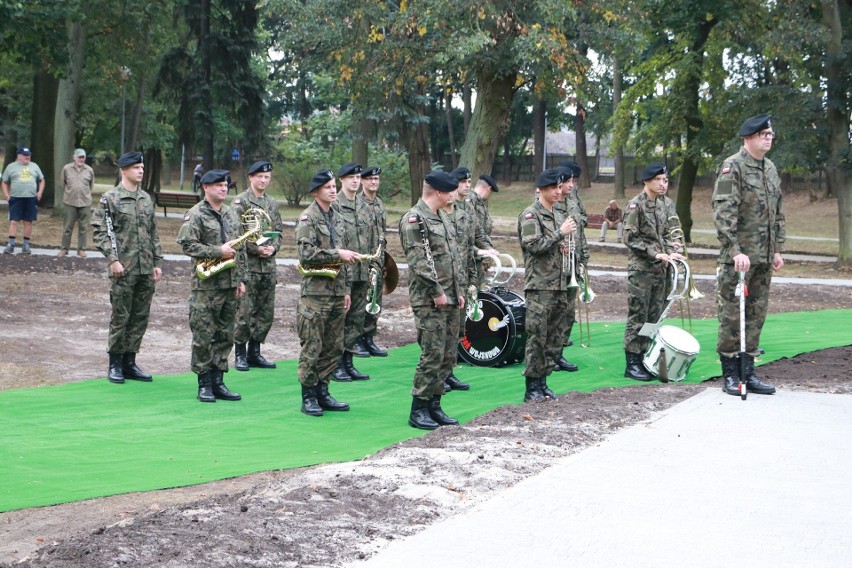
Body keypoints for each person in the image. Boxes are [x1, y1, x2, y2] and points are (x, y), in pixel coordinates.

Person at [713, 113, 784, 396]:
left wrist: (777, 248)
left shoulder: (770, 169)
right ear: (749, 138)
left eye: (770, 134)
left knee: (756, 314)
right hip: (739, 259)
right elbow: (723, 212)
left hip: (764, 256)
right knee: (732, 315)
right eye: (764, 134)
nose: (769, 138)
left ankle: (748, 372)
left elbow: (778, 212)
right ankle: (730, 374)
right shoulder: (733, 167)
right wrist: (734, 251)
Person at [91, 151, 163, 384]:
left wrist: (157, 262)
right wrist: (113, 260)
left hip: (145, 268)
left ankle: (130, 362)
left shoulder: (145, 199)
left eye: (142, 167)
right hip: (123, 268)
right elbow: (100, 231)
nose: (141, 170)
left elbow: (153, 233)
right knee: (120, 317)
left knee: (140, 316)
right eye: (136, 167)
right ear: (124, 170)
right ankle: (115, 363)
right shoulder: (110, 198)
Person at [400, 171, 464, 429]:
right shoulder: (415, 219)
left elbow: (452, 257)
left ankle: (435, 405)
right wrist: (437, 291)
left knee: (447, 355)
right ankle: (419, 409)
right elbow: (419, 262)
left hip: (449, 297)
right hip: (430, 299)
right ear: (438, 192)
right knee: (432, 353)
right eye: (450, 191)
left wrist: (457, 291)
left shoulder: (442, 218)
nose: (454, 195)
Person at [176, 169, 246, 403]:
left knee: (225, 334)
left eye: (225, 184)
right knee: (204, 334)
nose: (223, 188)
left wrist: (241, 279)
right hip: (206, 285)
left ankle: (219, 380)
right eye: (218, 185)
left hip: (229, 284)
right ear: (206, 188)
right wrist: (217, 251)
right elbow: (187, 244)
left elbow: (240, 249)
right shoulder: (195, 214)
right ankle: (204, 382)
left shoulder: (231, 213)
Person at [295, 168, 359, 416]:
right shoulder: (307, 218)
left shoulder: (336, 216)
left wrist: (345, 290)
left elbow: (344, 258)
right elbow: (305, 255)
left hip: (335, 292)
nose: (333, 190)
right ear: (316, 192)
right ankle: (308, 395)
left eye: (334, 186)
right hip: (315, 294)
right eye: (328, 187)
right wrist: (337, 255)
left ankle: (323, 390)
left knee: (334, 346)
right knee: (313, 345)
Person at [518, 168, 577, 402]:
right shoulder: (531, 215)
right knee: (537, 337)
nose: (557, 191)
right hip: (540, 286)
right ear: (541, 189)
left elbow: (555, 245)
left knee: (555, 337)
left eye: (559, 187)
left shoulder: (559, 214)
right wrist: (559, 236)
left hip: (561, 284)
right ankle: (532, 385)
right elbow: (533, 245)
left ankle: (543, 381)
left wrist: (564, 247)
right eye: (553, 188)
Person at [622, 162, 684, 380]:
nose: (662, 184)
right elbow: (629, 238)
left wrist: (670, 250)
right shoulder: (635, 205)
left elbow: (668, 233)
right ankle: (632, 361)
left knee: (654, 317)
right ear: (646, 181)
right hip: (642, 271)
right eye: (658, 180)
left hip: (662, 270)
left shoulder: (665, 204)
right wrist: (655, 253)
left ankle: (645, 355)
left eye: (665, 180)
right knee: (639, 315)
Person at [231, 160, 283, 371]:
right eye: (259, 176)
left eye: (267, 177)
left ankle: (255, 351)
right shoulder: (241, 202)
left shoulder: (272, 203)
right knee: (245, 311)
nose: (263, 180)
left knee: (265, 311)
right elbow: (236, 235)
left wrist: (274, 248)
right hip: (248, 266)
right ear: (251, 177)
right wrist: (255, 249)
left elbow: (278, 231)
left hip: (268, 267)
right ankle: (240, 354)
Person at [331, 162, 371, 382]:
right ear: (342, 180)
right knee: (340, 320)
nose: (355, 181)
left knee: (356, 319)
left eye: (358, 177)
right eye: (351, 178)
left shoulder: (363, 205)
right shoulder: (335, 204)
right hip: (343, 271)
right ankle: (335, 363)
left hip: (362, 270)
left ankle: (348, 361)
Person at [552, 166, 586, 373]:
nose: (572, 185)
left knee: (568, 311)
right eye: (568, 182)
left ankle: (559, 352)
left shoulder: (573, 202)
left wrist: (583, 258)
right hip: (556, 266)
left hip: (574, 259)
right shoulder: (551, 205)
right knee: (556, 311)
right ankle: (551, 355)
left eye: (572, 181)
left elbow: (580, 230)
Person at [358, 166, 389, 357]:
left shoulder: (379, 204)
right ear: (363, 181)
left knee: (375, 299)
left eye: (376, 179)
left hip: (377, 259)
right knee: (360, 299)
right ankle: (356, 339)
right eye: (370, 179)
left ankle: (369, 337)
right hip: (361, 259)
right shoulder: (357, 203)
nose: (374, 182)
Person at [2, 147, 45, 255]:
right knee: (14, 221)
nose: (27, 156)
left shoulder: (34, 166)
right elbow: (4, 181)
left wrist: (39, 192)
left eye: (29, 154)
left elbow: (42, 180)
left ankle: (26, 245)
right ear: (19, 156)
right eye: (25, 155)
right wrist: (6, 194)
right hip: (16, 198)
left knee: (28, 221)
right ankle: (11, 244)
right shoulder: (11, 167)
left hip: (30, 198)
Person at [59, 148, 95, 257]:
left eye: (83, 157)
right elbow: (62, 183)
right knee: (67, 227)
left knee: (83, 227)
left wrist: (86, 195)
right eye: (79, 157)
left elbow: (91, 185)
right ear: (74, 157)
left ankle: (81, 250)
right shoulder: (66, 168)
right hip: (70, 202)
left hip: (85, 203)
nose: (81, 159)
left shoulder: (89, 170)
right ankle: (64, 249)